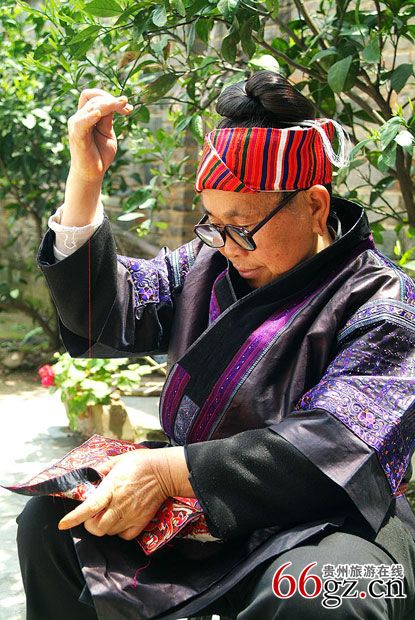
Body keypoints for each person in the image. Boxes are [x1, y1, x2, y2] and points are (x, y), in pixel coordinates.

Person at [16, 70, 415, 620]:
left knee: (328, 591)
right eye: (213, 224)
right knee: (52, 523)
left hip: (322, 522)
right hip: (193, 502)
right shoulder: (207, 264)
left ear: (315, 206)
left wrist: (167, 470)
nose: (226, 246)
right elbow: (108, 312)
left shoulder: (387, 303)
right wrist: (85, 180)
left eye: (242, 226)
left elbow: (335, 447)